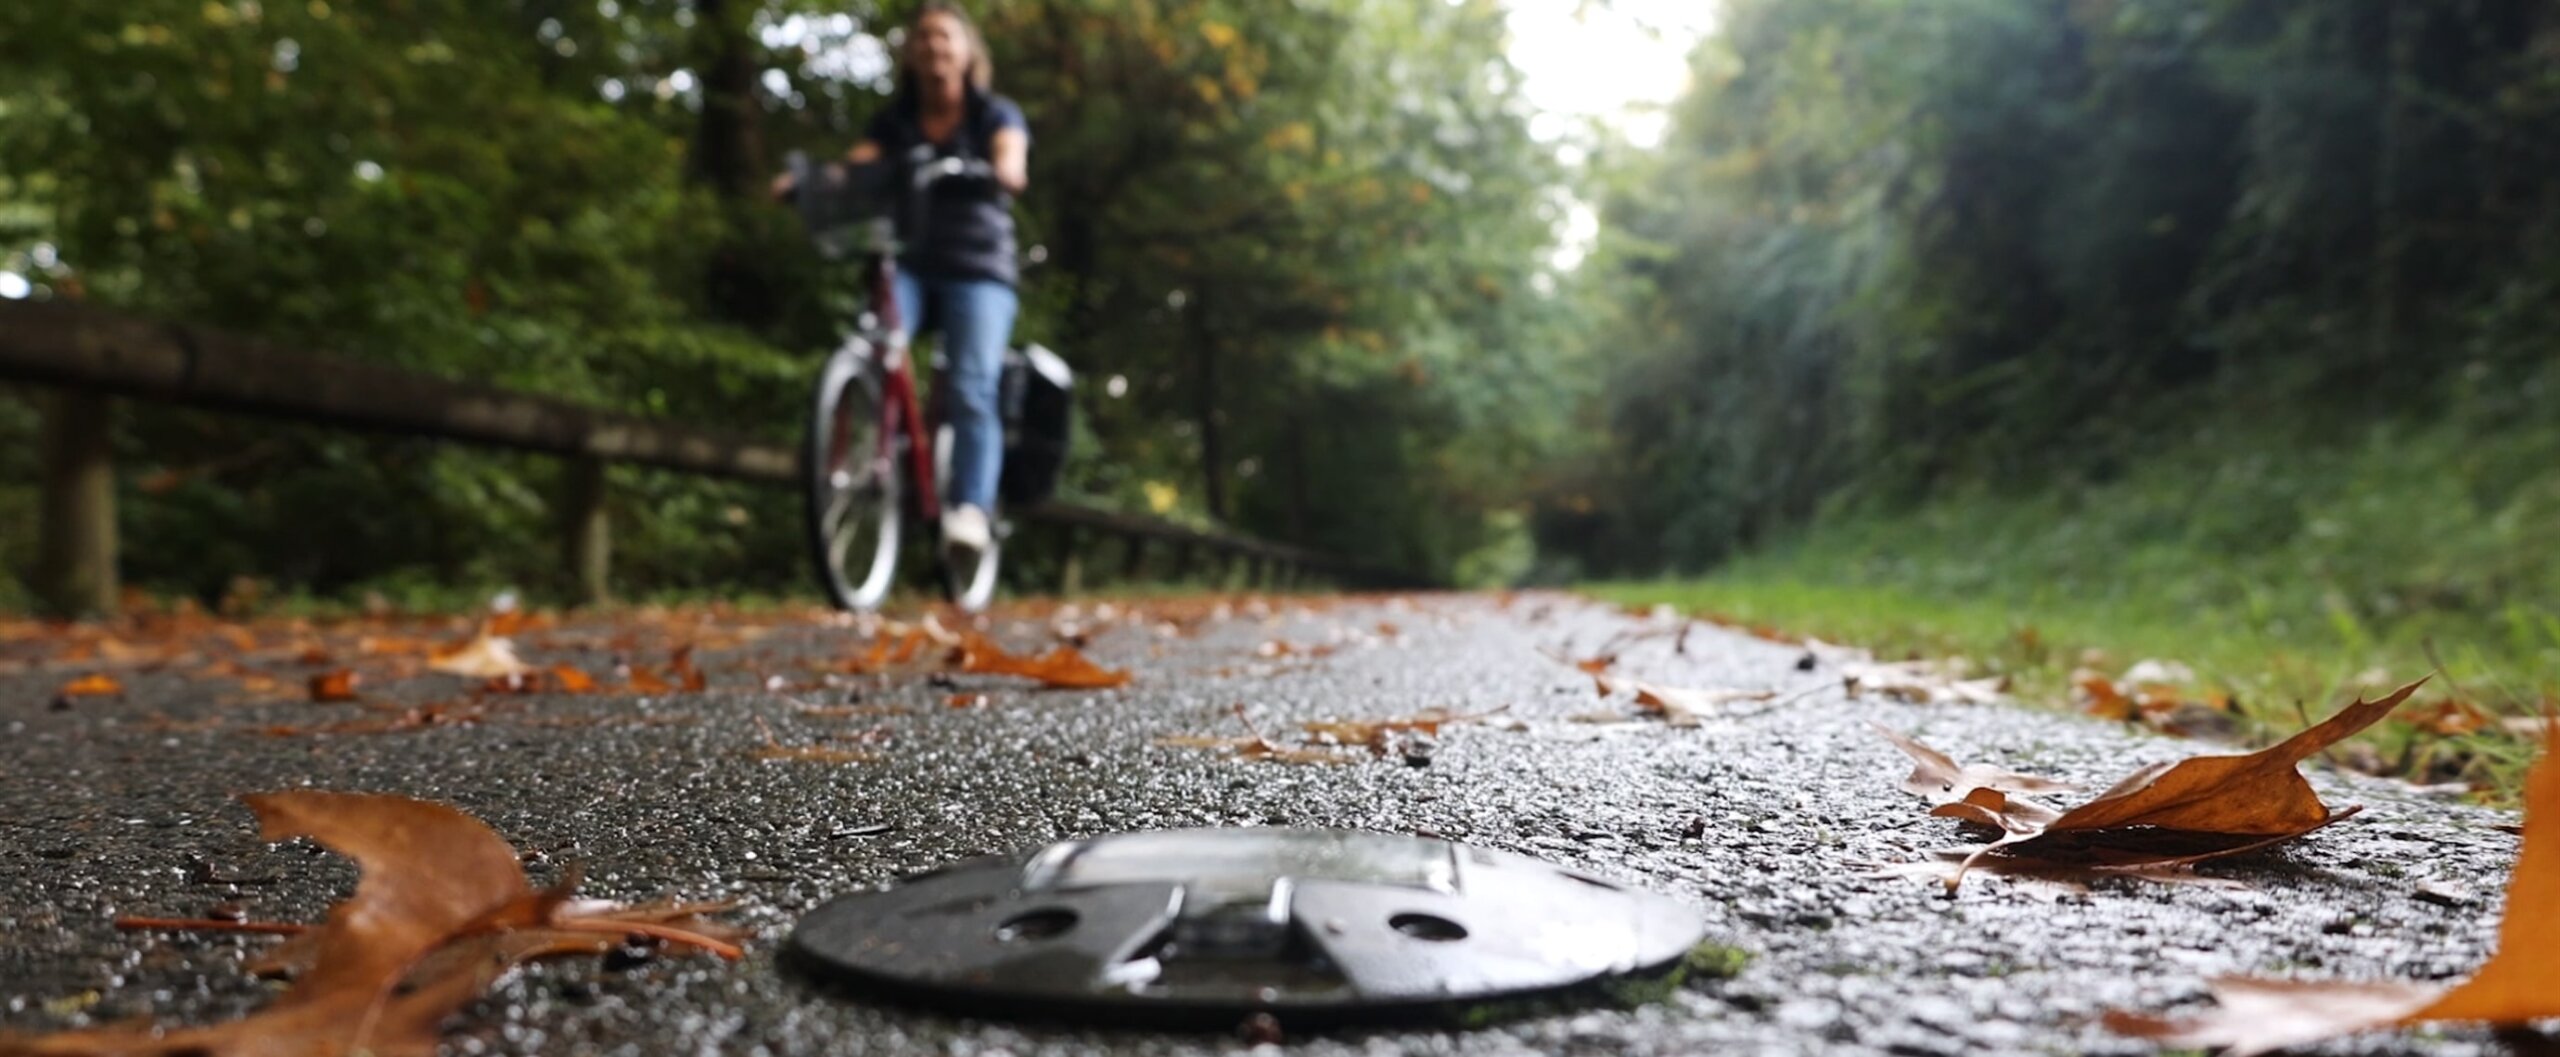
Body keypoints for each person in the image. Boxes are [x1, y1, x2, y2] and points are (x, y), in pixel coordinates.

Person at [777, 1, 1030, 557]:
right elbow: (857, 166)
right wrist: (812, 182)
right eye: (924, 39)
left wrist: (999, 170)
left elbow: (1012, 162)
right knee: (876, 345)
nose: (934, 48)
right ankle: (875, 452)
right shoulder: (895, 123)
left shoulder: (995, 115)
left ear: (967, 52)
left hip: (979, 268)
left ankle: (970, 508)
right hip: (912, 261)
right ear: (911, 55)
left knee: (971, 385)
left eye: (945, 37)